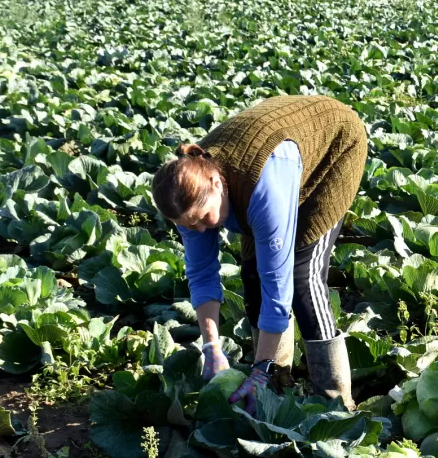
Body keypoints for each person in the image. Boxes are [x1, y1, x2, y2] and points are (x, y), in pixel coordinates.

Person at [152, 95, 367, 414]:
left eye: (203, 218)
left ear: (217, 183)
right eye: (187, 225)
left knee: (302, 276)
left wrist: (258, 370)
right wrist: (211, 346)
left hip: (331, 148)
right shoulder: (185, 198)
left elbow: (278, 289)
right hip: (262, 171)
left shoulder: (263, 192)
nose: (198, 230)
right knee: (252, 273)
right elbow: (201, 274)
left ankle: (335, 399)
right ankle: (277, 383)